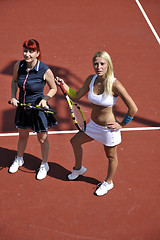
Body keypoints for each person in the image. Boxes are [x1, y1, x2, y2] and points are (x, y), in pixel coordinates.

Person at [56, 51, 138, 196]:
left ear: (108, 65)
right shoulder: (91, 80)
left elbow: (133, 108)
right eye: (96, 64)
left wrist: (122, 124)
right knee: (75, 142)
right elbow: (76, 95)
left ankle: (108, 182)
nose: (98, 67)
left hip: (108, 129)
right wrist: (64, 85)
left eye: (102, 64)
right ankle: (79, 168)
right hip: (93, 125)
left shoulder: (115, 84)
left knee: (111, 156)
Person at [9, 39, 57, 180]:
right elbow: (14, 82)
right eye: (25, 51)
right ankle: (19, 158)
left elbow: (53, 88)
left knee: (42, 138)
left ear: (37, 53)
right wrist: (13, 97)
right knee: (22, 136)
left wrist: (45, 99)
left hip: (38, 109)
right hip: (23, 107)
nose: (27, 54)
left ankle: (44, 164)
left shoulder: (45, 70)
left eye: (31, 51)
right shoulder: (19, 65)